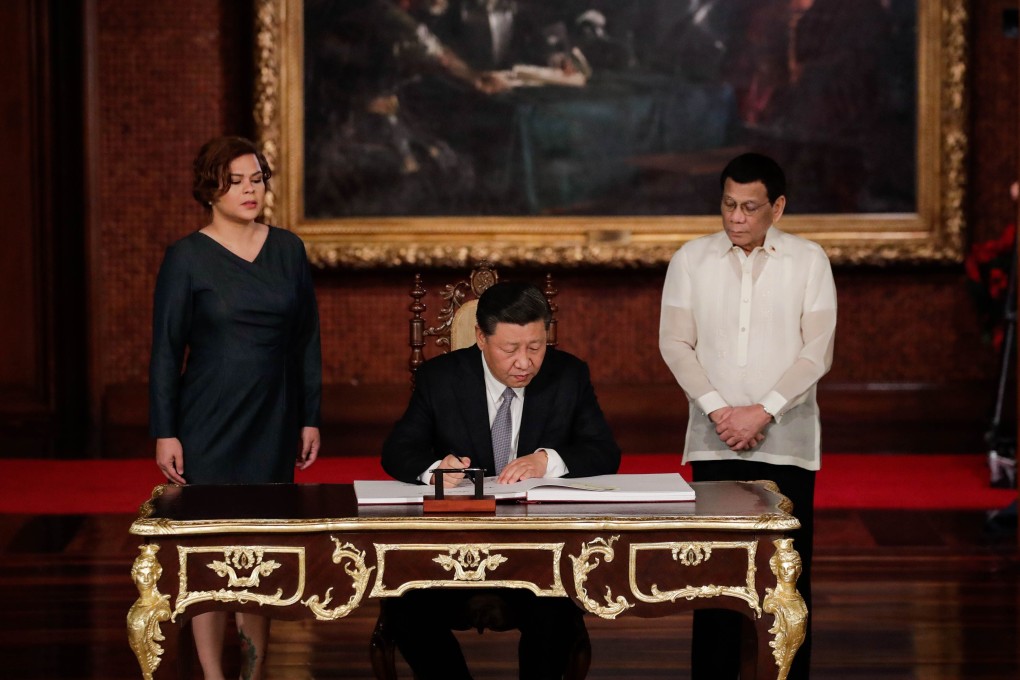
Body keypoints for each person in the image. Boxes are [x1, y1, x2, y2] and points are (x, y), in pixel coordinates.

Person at [381, 280, 621, 679]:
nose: (524, 363)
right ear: (481, 338)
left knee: (555, 614)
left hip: (537, 555)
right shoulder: (441, 378)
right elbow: (397, 451)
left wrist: (547, 461)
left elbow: (604, 452)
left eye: (535, 347)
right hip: (452, 550)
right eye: (510, 349)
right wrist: (435, 469)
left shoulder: (568, 375)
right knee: (405, 610)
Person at [149, 135, 323, 680]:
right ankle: (213, 675)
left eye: (257, 179)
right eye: (236, 181)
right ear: (210, 190)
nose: (250, 191)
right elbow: (165, 350)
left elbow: (307, 340)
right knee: (210, 551)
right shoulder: (186, 257)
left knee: (260, 552)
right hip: (208, 419)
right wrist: (165, 430)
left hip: (273, 417)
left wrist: (309, 415)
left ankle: (253, 673)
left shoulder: (288, 249)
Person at [658, 152, 836, 680]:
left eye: (749, 207)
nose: (736, 218)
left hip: (787, 442)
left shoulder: (809, 261)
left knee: (787, 580)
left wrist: (763, 411)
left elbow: (817, 353)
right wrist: (721, 411)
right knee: (713, 582)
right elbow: (674, 344)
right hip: (714, 440)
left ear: (777, 208)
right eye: (728, 205)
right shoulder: (690, 259)